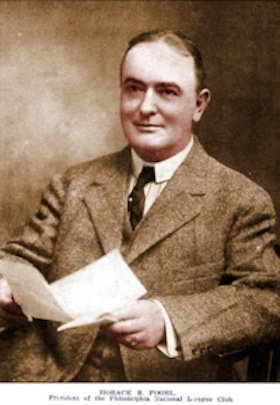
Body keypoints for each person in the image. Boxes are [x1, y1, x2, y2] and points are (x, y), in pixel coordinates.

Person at [0, 30, 279, 382]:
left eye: (167, 91)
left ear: (199, 105)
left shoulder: (241, 199)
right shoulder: (74, 184)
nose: (146, 107)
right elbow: (21, 258)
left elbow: (267, 301)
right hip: (47, 379)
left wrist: (166, 319)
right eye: (134, 88)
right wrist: (6, 283)